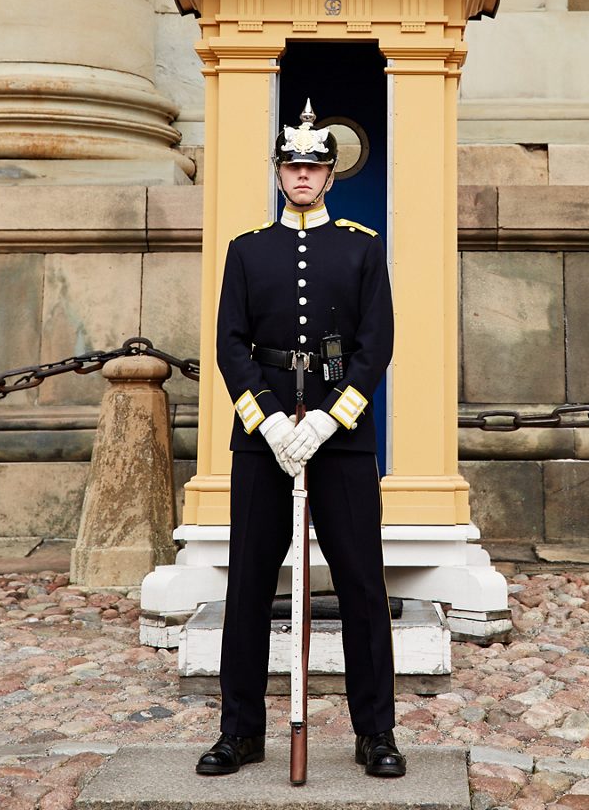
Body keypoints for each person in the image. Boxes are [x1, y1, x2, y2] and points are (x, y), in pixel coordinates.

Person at [196, 101, 405, 779]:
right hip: (263, 439)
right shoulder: (247, 250)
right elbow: (230, 345)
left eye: (314, 166)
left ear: (331, 175)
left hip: (339, 439)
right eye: (293, 165)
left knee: (361, 585)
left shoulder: (361, 246)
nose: (303, 176)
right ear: (279, 173)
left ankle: (376, 733)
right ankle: (241, 731)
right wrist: (270, 419)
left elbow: (376, 348)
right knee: (250, 583)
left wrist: (325, 418)